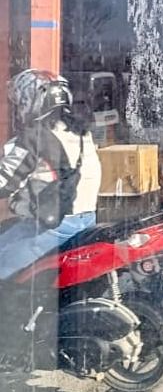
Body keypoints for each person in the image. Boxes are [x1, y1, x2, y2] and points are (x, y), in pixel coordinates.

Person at [0, 69, 102, 280]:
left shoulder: (35, 136)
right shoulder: (81, 131)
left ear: (29, 100)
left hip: (54, 224)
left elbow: (6, 181)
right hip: (86, 219)